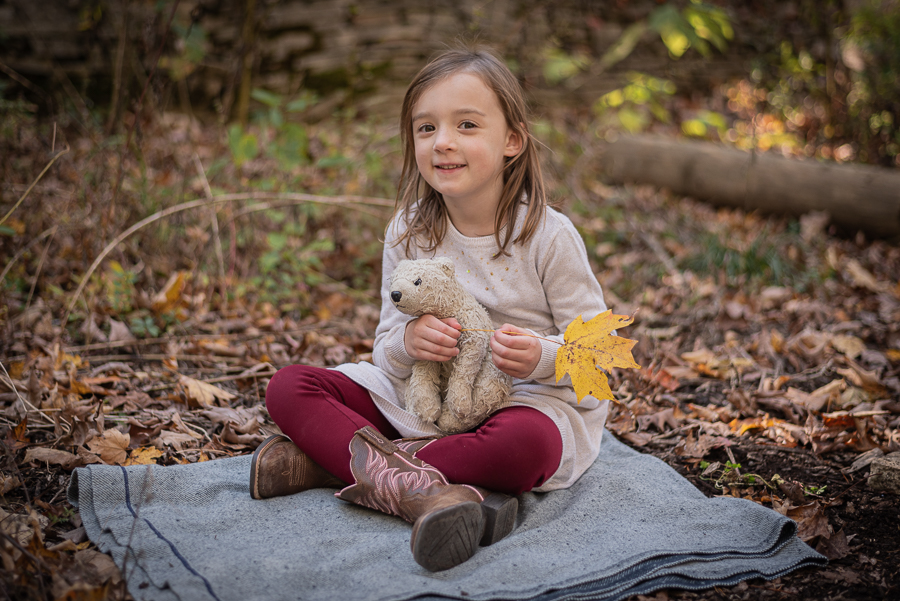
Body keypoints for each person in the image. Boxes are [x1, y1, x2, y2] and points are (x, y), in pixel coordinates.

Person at [251, 46, 609, 572]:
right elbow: (386, 348)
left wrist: (539, 356)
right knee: (289, 386)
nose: (443, 142)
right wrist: (408, 341)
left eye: (466, 124)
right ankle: (435, 493)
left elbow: (596, 354)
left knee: (520, 449)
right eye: (426, 128)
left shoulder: (548, 236)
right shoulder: (410, 230)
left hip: (522, 401)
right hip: (424, 398)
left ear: (512, 140)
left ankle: (333, 467)